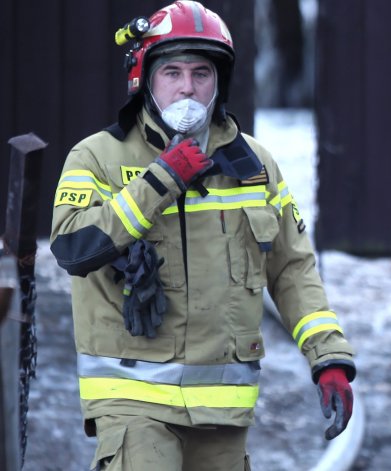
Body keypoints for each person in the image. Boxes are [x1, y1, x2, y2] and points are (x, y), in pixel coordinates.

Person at [50, 2, 355, 469]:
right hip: (134, 404)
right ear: (145, 79)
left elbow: (293, 269)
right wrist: (160, 180)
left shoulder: (254, 168)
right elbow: (72, 247)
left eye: (201, 73)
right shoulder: (95, 158)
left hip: (223, 410)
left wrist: (328, 357)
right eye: (172, 72)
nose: (187, 88)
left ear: (220, 82)